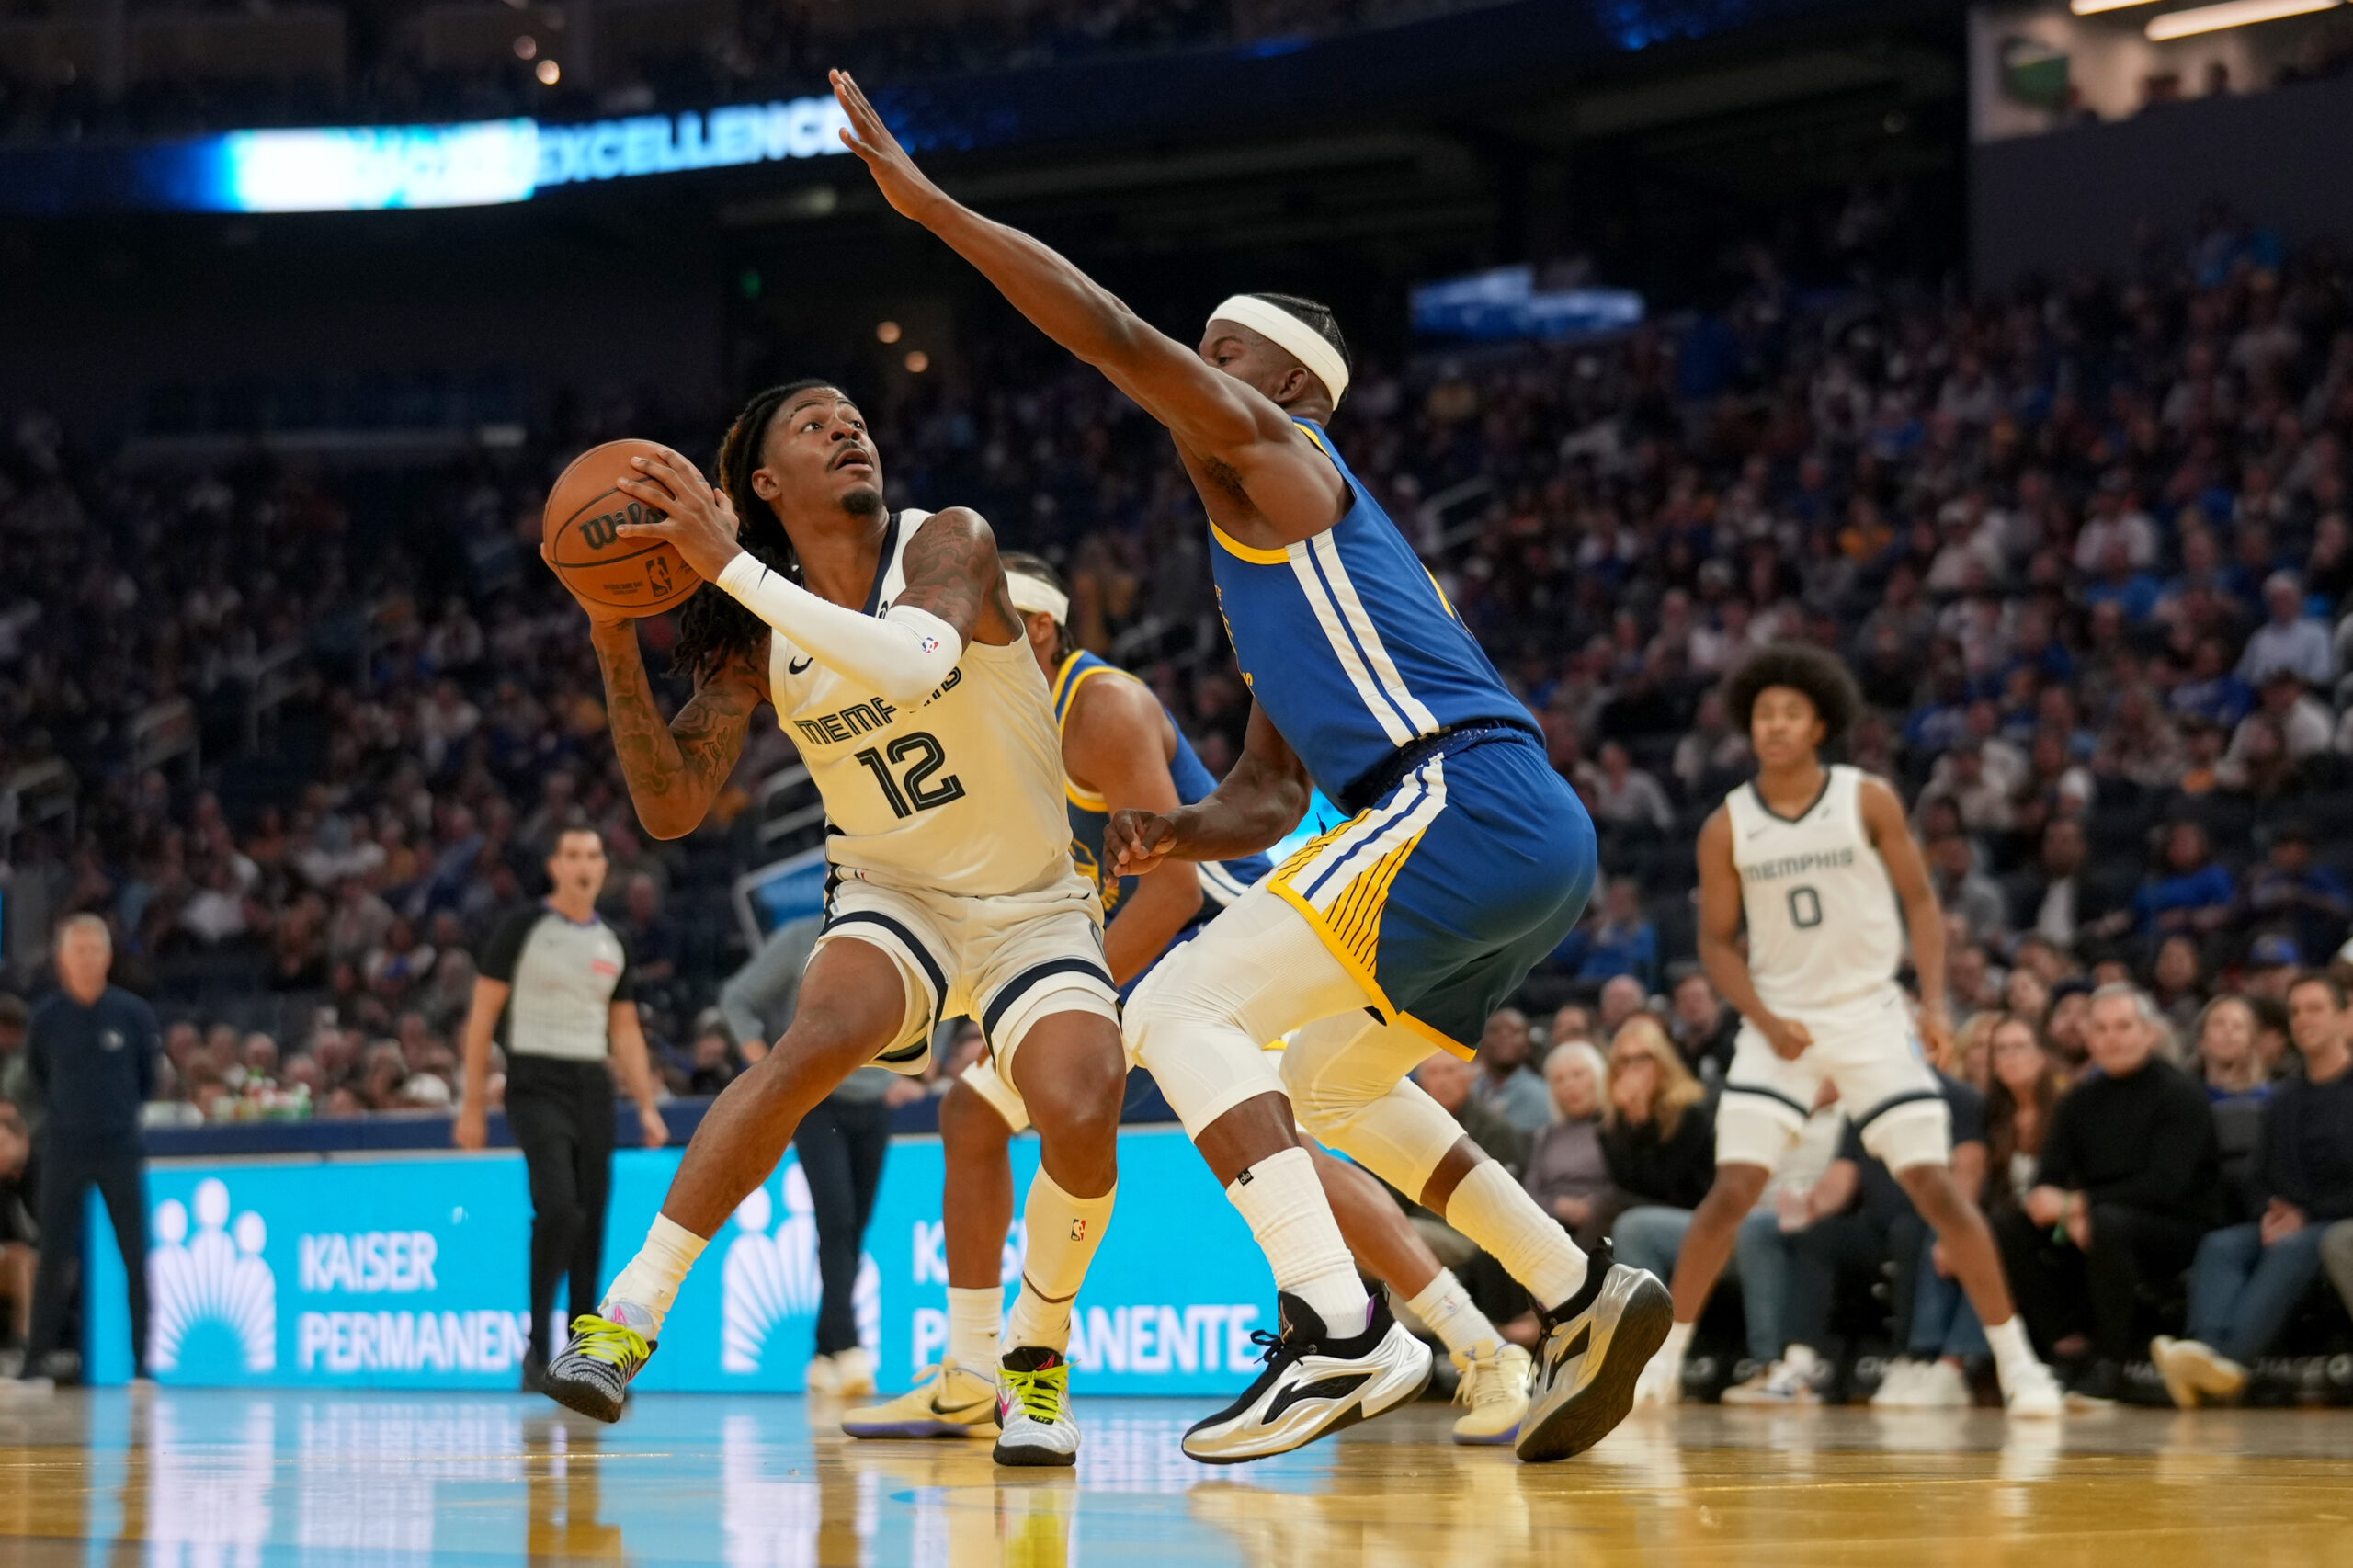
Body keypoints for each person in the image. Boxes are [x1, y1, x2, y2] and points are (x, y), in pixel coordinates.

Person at [826, 72, 1665, 1466]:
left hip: (1457, 798)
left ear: (1277, 384)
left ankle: (1341, 1330)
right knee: (1332, 1085)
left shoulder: (1285, 455)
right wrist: (1177, 833)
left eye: (1218, 348)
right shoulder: (1277, 562)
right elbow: (1272, 796)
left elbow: (1102, 330)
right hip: (1513, 825)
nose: (1192, 366)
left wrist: (932, 209)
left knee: (1174, 1009)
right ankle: (1578, 1292)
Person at [536, 381, 1131, 1471]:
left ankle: (1031, 1362)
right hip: (890, 888)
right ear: (762, 482)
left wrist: (728, 568)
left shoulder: (948, 541)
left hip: (1032, 901)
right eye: (813, 425)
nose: (848, 429)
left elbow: (911, 662)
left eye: (853, 417)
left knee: (1081, 1110)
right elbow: (669, 808)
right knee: (812, 1042)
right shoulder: (755, 630)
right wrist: (611, 634)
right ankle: (626, 1318)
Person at [845, 556, 1535, 1447]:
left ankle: (1480, 1347)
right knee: (973, 1115)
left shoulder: (1101, 707)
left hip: (1214, 938)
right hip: (1123, 956)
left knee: (1281, 1151)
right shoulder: (987, 728)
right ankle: (972, 1373)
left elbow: (1168, 892)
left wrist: (1058, 993)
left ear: (1037, 630)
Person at [1634, 643, 2061, 1415]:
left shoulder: (1867, 799)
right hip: (1779, 1024)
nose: (1775, 726)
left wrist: (1933, 1005)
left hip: (1870, 1014)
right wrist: (1765, 1019)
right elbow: (1716, 946)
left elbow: (1924, 907)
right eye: (1764, 714)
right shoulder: (1726, 825)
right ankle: (1663, 1365)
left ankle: (2020, 1363)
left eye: (1790, 713)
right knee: (1733, 1191)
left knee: (1935, 1186)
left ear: (1821, 722)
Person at [455, 826, 670, 1392]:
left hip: (591, 1084)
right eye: (572, 854)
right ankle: (536, 1346)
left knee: (592, 1220)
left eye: (594, 855)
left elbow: (624, 1030)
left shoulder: (612, 940)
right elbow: (480, 1020)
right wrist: (472, 1104)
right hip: (532, 1081)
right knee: (559, 1209)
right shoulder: (522, 929)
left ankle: (584, 1357)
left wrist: (647, 1104)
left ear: (605, 869)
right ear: (554, 865)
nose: (583, 864)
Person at [1995, 984, 2222, 1405]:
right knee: (2008, 1226)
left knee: (2109, 1222)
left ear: (2148, 1033)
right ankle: (2064, 1345)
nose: (2113, 1038)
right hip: (2100, 1219)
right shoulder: (2079, 1100)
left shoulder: (2180, 1094)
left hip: (2180, 1225)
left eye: (2123, 1026)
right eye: (2101, 1028)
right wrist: (2055, 1202)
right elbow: (2049, 1176)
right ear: (2089, 1038)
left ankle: (2111, 1364)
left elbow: (2165, 1185)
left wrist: (2080, 1205)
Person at [2152, 971, 2353, 1406]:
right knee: (2222, 1245)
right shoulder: (2284, 1097)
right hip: (2290, 1219)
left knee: (2297, 1246)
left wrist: (2304, 1216)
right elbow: (2257, 1175)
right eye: (2295, 1011)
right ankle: (2201, 1352)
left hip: (2338, 1221)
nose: (2303, 1020)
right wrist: (2269, 1210)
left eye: (2315, 1008)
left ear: (2345, 1018)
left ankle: (2228, 1361)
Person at [21, 915, 157, 1387]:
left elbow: (146, 1081)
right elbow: (39, 1078)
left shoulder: (133, 1015)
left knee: (134, 1257)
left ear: (107, 956)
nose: (84, 958)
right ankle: (35, 1362)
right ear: (61, 958)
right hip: (64, 1150)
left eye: (93, 949)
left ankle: (142, 1366)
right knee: (53, 1256)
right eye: (75, 950)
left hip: (119, 1149)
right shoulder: (46, 1018)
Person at [1597, 1017, 1716, 1285]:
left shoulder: (1689, 1110)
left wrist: (1639, 1118)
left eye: (1642, 1059)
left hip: (1692, 1213)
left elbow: (1661, 1183)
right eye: (1623, 1062)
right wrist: (1629, 1121)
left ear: (1662, 1063)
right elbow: (1624, 1182)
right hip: (1638, 1208)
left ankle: (1563, 1302)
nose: (1632, 1070)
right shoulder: (1612, 1125)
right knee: (1611, 1207)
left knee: (1610, 1206)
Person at [1523, 1042, 1616, 1250]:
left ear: (1599, 1076)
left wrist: (1593, 1206)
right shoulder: (1547, 1135)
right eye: (1559, 1079)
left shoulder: (1615, 1128)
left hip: (1601, 1221)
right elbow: (1530, 1192)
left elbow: (1625, 1184)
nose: (1569, 1085)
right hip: (1550, 1223)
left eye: (1578, 1074)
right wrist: (1559, 1206)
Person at [1469, 1008, 1553, 1135]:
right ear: (1482, 1041)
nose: (1504, 1037)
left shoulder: (1540, 1094)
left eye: (1515, 1032)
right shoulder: (1472, 1089)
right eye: (1495, 1031)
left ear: (1528, 1045)